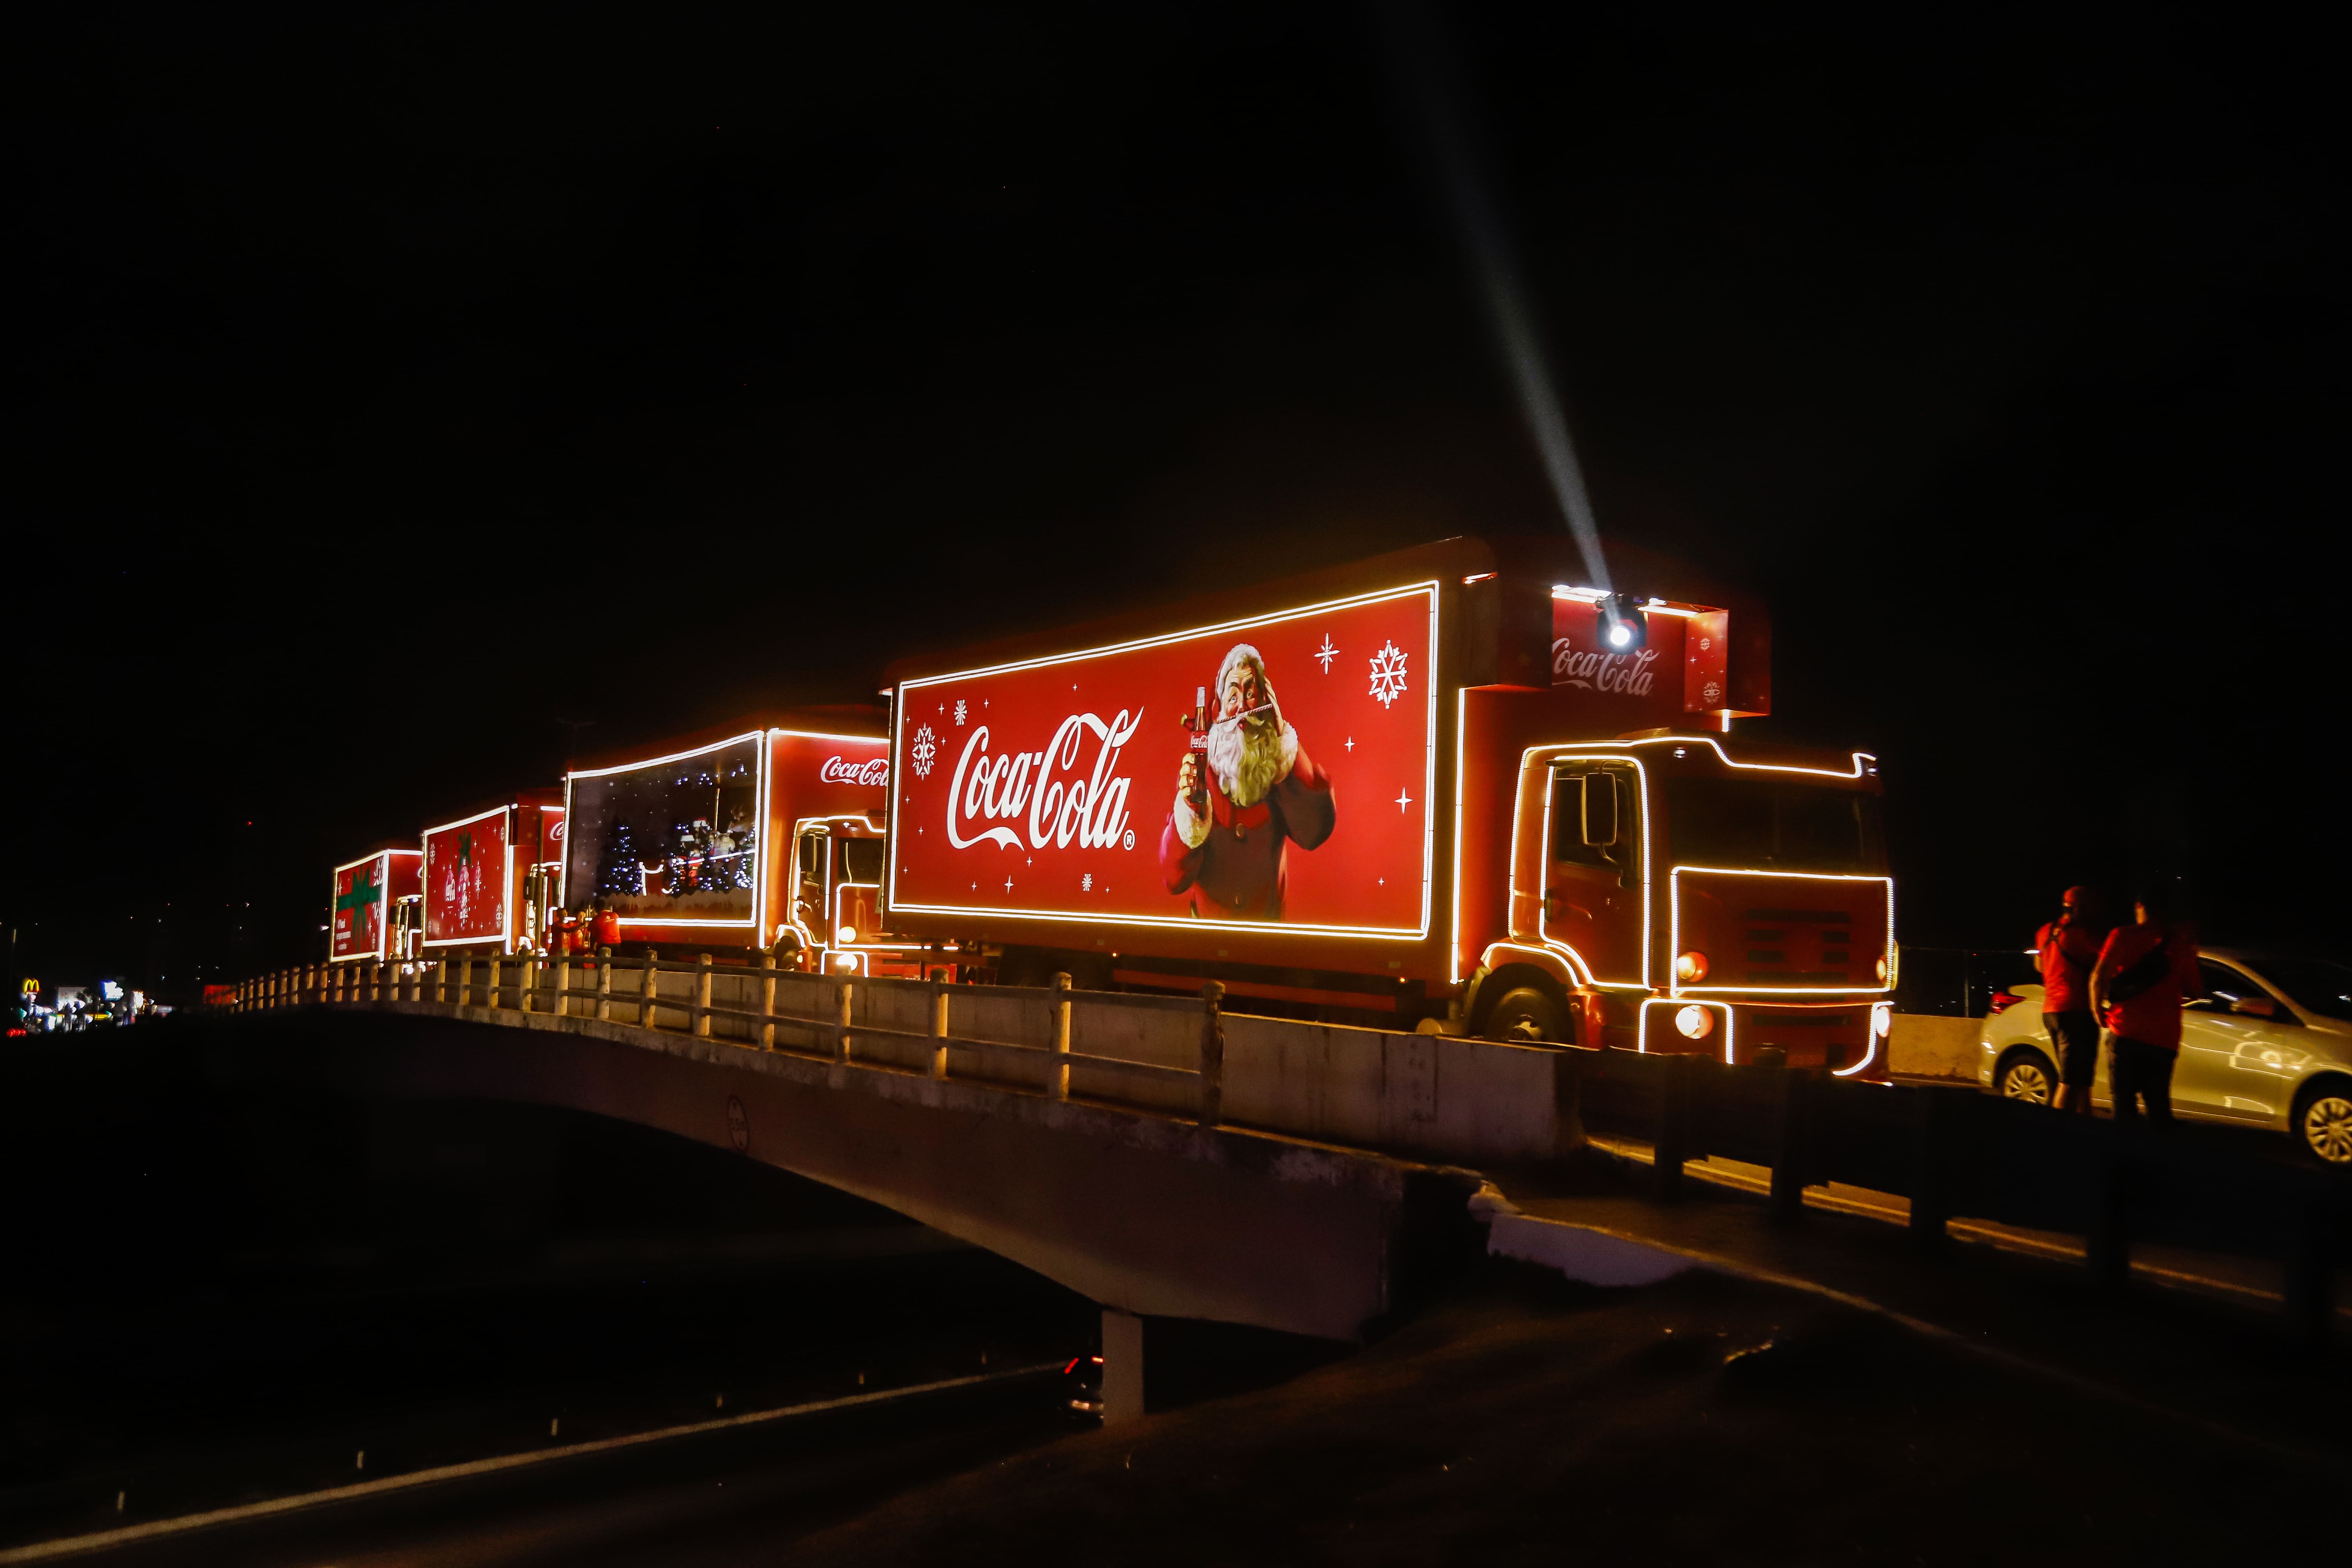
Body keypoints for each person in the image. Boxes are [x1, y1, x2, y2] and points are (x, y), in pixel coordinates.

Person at [1159, 642, 1336, 919]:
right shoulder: (1201, 774)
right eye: (1233, 697)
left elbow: (1315, 833)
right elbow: (1174, 879)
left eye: (1251, 694)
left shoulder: (1277, 770)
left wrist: (1284, 742)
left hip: (1267, 941)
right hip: (1207, 944)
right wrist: (1189, 815)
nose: (1242, 706)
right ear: (1218, 713)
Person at [2088, 889, 2199, 1125]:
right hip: (2164, 1038)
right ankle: (2157, 1158)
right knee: (2158, 1106)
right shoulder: (2179, 945)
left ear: (2139, 907)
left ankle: (2123, 1158)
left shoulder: (2122, 936)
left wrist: (2097, 1010)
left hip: (2125, 1031)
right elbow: (2195, 990)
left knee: (2123, 1104)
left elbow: (2098, 977)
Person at [2035, 886, 2111, 1114]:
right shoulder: (2083, 935)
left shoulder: (2044, 932)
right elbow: (2112, 958)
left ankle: (2082, 1135)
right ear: (2080, 908)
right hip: (2075, 1013)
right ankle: (2059, 1135)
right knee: (2070, 1082)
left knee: (2079, 1081)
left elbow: (2039, 965)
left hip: (2052, 1011)